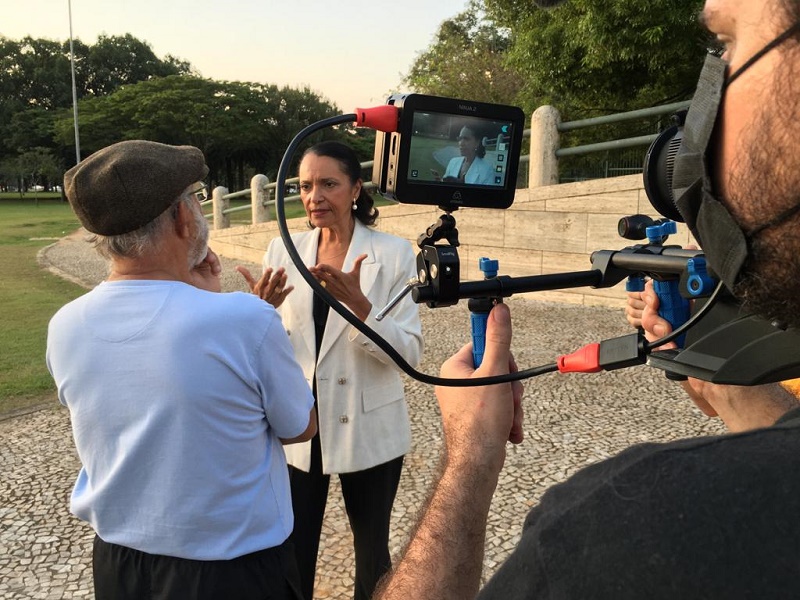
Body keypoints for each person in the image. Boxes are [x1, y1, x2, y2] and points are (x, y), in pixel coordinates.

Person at [374, 1, 800, 598]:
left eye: (726, 46)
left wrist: (471, 458)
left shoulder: (624, 523)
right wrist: (724, 377)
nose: (700, 120)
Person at [46, 140, 317, 600]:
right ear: (182, 217)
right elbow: (299, 427)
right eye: (195, 197)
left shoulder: (65, 325)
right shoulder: (244, 319)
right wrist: (214, 303)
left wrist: (204, 300)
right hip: (232, 571)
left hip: (118, 563)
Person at [237, 140, 423, 600]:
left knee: (372, 552)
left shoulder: (394, 255)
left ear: (357, 188)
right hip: (300, 425)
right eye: (304, 186)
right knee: (292, 548)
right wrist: (260, 312)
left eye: (328, 184)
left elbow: (410, 355)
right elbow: (267, 348)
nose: (314, 196)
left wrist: (362, 307)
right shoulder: (283, 251)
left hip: (368, 423)